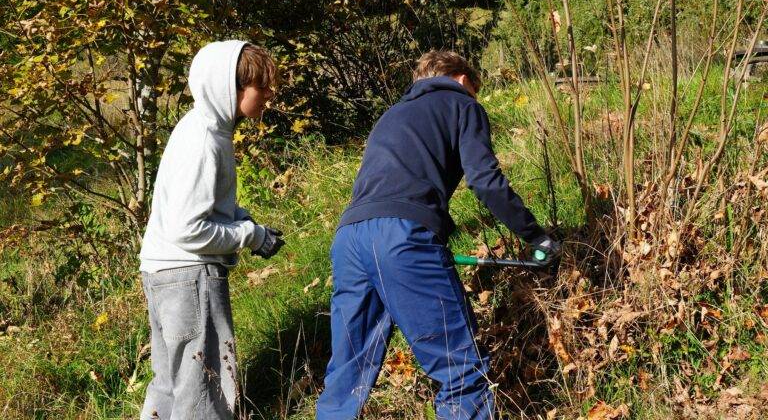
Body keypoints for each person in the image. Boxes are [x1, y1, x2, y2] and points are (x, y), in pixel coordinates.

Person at [316, 50, 560, 420]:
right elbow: (485, 181)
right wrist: (536, 235)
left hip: (349, 239)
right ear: (463, 80)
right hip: (402, 238)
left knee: (346, 375)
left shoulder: (390, 115)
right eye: (473, 90)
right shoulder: (461, 104)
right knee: (461, 371)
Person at [138, 41, 285, 420]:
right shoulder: (204, 140)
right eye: (262, 87)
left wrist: (250, 225)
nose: (270, 95)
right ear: (231, 88)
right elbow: (189, 228)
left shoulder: (201, 128)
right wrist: (248, 235)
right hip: (190, 276)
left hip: (163, 273)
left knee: (170, 387)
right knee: (202, 390)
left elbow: (204, 207)